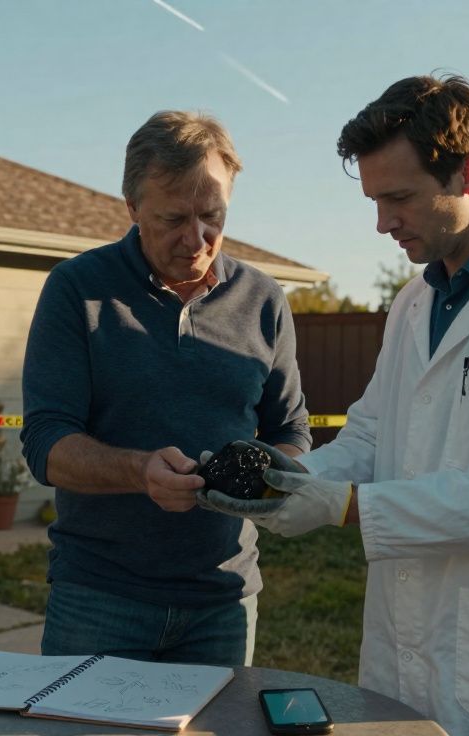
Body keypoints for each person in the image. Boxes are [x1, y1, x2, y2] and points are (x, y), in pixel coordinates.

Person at [199, 75, 469, 735]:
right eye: (374, 200)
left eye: (398, 197)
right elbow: (372, 437)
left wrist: (345, 508)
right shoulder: (415, 304)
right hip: (407, 643)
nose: (381, 223)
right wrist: (285, 481)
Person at [20, 110, 311, 666]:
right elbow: (45, 442)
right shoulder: (77, 290)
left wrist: (267, 478)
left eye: (212, 215)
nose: (196, 238)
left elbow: (291, 429)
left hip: (225, 599)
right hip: (98, 598)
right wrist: (138, 471)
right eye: (174, 217)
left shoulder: (264, 299)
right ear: (131, 207)